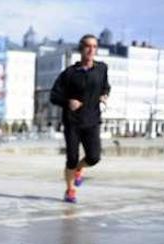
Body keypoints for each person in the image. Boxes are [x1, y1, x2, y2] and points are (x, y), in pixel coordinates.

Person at [50, 33, 111, 203]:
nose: (91, 50)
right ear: (81, 49)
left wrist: (104, 95)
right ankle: (70, 190)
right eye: (88, 46)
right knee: (71, 158)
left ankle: (79, 169)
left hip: (92, 120)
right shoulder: (69, 73)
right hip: (72, 122)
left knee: (94, 157)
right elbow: (54, 96)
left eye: (94, 46)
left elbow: (106, 86)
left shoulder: (102, 68)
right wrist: (67, 101)